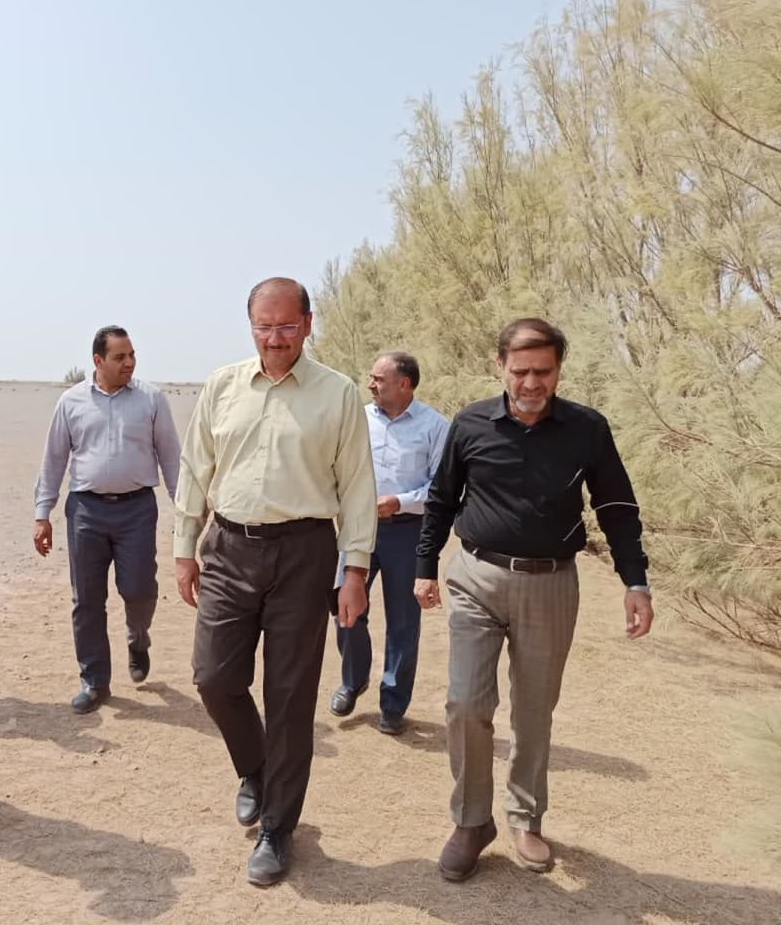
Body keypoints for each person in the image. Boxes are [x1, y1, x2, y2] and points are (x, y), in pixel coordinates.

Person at [414, 317, 654, 882]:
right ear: (500, 366)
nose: (530, 383)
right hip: (475, 577)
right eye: (520, 371)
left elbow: (616, 507)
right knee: (465, 704)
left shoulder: (587, 428)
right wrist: (425, 568)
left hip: (551, 584)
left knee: (533, 710)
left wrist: (635, 581)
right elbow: (442, 499)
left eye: (542, 371)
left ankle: (525, 817)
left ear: (558, 370)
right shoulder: (470, 422)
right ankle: (472, 821)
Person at [174, 277, 377, 886]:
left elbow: (357, 486)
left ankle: (278, 828)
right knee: (214, 678)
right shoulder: (222, 385)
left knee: (290, 696)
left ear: (308, 324)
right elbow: (195, 468)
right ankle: (256, 769)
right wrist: (184, 547)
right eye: (264, 326)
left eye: (287, 326)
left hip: (304, 553)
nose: (275, 338)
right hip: (229, 547)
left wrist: (355, 570)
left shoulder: (337, 394)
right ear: (251, 327)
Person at [33, 326, 182, 713]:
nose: (129, 362)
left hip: (137, 509)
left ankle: (138, 637)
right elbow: (54, 460)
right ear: (98, 361)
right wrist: (42, 514)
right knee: (87, 599)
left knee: (139, 589)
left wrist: (184, 509)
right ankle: (95, 681)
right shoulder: (71, 402)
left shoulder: (151, 399)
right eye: (120, 357)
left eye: (132, 355)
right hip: (86, 510)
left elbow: (170, 456)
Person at [330, 351, 449, 734]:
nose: (370, 384)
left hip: (408, 531)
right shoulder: (357, 419)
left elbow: (442, 488)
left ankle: (394, 704)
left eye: (378, 379)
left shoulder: (435, 427)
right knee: (344, 607)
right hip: (358, 528)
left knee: (403, 621)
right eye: (371, 377)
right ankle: (353, 681)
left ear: (405, 383)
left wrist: (400, 501)